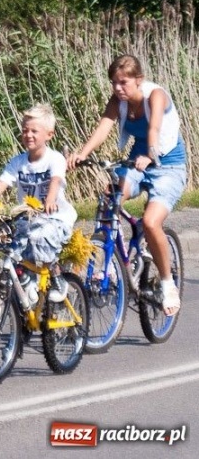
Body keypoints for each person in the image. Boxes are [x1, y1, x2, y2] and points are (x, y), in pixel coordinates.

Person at [67, 54, 187, 316]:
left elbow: (154, 128)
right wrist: (82, 154)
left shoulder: (155, 96)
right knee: (110, 199)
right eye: (114, 83)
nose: (118, 88)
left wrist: (151, 154)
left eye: (123, 82)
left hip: (168, 165)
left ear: (138, 80)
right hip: (137, 162)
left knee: (151, 222)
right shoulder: (117, 102)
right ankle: (111, 260)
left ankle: (167, 283)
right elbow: (102, 129)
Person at [0, 104, 77, 302]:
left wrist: (50, 200)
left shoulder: (55, 159)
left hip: (55, 218)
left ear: (49, 134)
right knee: (9, 243)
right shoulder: (18, 162)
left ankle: (58, 278)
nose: (29, 135)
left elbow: (56, 180)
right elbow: (2, 183)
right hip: (27, 219)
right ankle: (26, 282)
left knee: (41, 236)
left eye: (35, 131)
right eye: (25, 130)